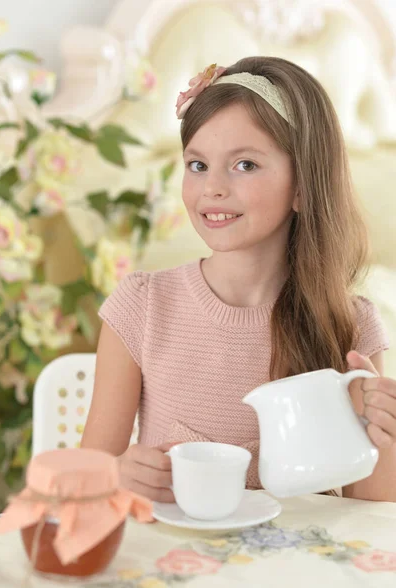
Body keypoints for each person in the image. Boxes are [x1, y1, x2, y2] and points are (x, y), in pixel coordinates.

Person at [81, 57, 396, 502]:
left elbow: (371, 516)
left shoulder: (352, 325)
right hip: (176, 564)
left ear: (303, 185)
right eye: (197, 165)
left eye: (245, 165)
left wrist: (383, 434)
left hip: (300, 569)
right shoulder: (142, 308)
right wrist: (117, 475)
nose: (212, 188)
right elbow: (82, 483)